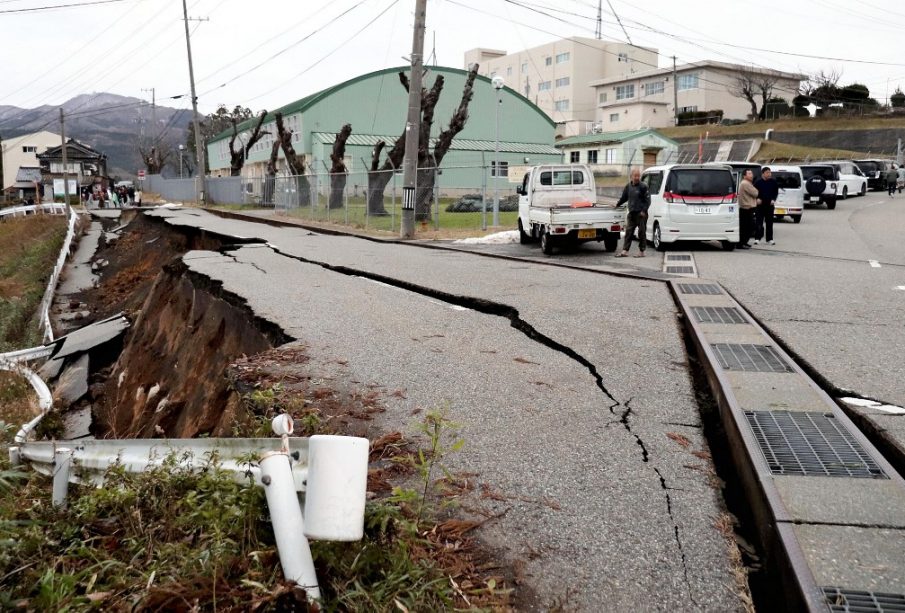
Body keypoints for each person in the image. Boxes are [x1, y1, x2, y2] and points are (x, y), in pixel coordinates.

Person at [615, 168, 651, 258]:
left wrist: (643, 211)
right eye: (635, 176)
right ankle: (625, 251)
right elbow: (624, 198)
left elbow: (648, 201)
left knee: (641, 232)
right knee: (628, 232)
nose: (637, 177)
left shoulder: (643, 187)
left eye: (638, 176)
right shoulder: (628, 186)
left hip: (641, 214)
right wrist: (617, 204)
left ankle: (642, 251)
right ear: (631, 176)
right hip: (631, 213)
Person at [753, 166, 779, 245]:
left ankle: (769, 239)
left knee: (769, 222)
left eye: (770, 172)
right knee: (759, 222)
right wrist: (757, 198)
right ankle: (757, 238)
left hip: (769, 205)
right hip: (760, 206)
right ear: (763, 174)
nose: (769, 174)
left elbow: (776, 192)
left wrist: (773, 199)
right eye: (767, 172)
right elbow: (754, 192)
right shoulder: (758, 182)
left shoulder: (773, 182)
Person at [737, 169, 758, 249]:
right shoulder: (745, 183)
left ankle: (744, 242)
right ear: (744, 176)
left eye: (751, 173)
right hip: (746, 208)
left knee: (747, 227)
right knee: (746, 227)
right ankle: (741, 243)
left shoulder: (747, 183)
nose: (751, 175)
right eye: (749, 173)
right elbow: (756, 193)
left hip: (747, 208)